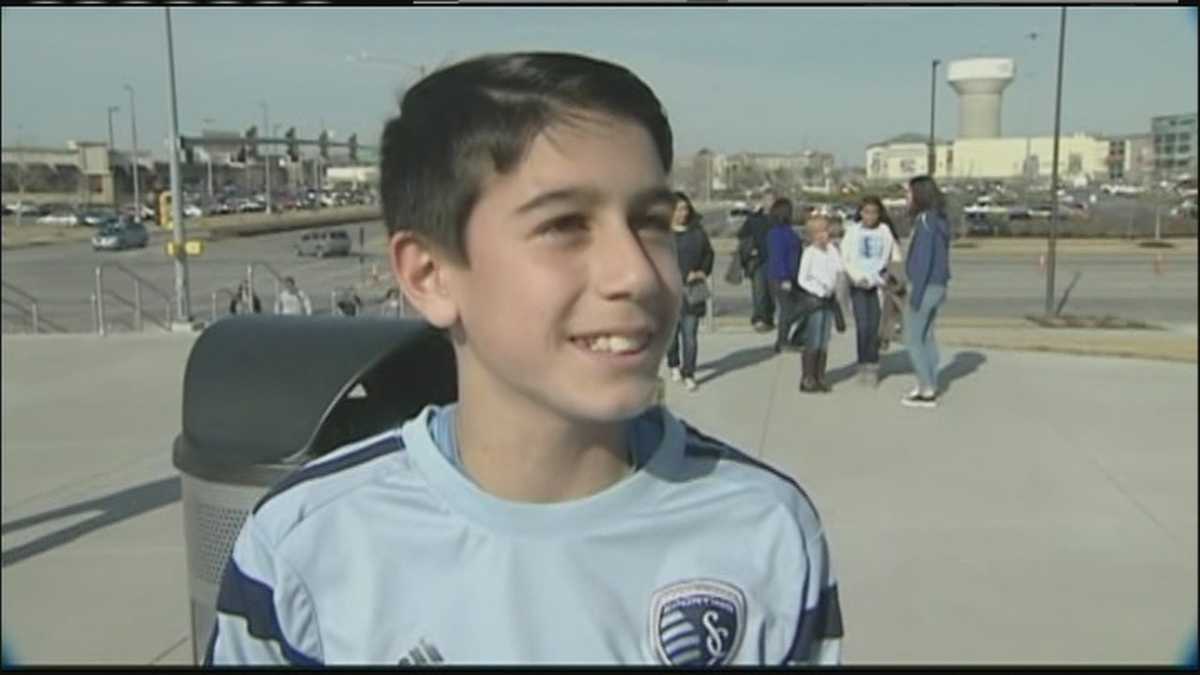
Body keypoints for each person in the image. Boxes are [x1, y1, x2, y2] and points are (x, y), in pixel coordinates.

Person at [207, 51, 841, 666]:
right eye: (565, 225)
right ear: (430, 274)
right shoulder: (305, 549)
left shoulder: (765, 533)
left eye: (650, 222)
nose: (635, 274)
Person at [902, 175, 951, 409]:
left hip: (926, 286)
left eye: (909, 193)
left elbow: (923, 261)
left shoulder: (924, 222)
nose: (906, 198)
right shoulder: (939, 220)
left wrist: (916, 294)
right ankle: (929, 381)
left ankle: (926, 388)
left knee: (912, 338)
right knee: (927, 336)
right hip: (939, 285)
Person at [841, 196, 897, 386]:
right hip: (859, 285)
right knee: (862, 326)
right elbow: (845, 258)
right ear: (861, 213)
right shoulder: (853, 232)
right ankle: (862, 363)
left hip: (878, 285)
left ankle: (872, 365)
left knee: (874, 327)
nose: (870, 216)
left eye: (874, 212)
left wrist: (888, 276)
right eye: (866, 212)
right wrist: (858, 277)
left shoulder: (885, 231)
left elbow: (893, 256)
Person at [665, 191, 714, 392]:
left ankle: (689, 373)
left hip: (692, 291)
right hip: (668, 292)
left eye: (685, 208)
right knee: (670, 336)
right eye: (677, 209)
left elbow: (708, 255)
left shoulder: (697, 233)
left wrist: (702, 271)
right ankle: (674, 364)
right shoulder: (662, 235)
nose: (682, 213)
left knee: (690, 335)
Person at [796, 216, 844, 393]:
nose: (824, 235)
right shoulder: (809, 253)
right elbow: (802, 278)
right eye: (819, 233)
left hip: (829, 299)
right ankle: (808, 377)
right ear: (812, 235)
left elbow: (840, 268)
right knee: (814, 338)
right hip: (815, 299)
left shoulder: (832, 250)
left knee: (824, 339)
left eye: (826, 231)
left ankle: (820, 376)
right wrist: (817, 289)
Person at [765, 197, 803, 353]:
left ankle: (786, 339)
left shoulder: (786, 231)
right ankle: (782, 341)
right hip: (781, 278)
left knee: (797, 308)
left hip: (792, 276)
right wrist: (784, 278)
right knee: (788, 310)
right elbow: (778, 257)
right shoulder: (777, 233)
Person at [735, 189, 777, 332]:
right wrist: (750, 248)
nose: (769, 203)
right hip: (758, 260)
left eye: (772, 200)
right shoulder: (754, 219)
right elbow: (742, 234)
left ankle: (769, 318)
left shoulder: (779, 219)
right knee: (759, 291)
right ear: (763, 201)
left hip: (774, 260)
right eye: (767, 200)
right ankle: (759, 319)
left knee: (771, 293)